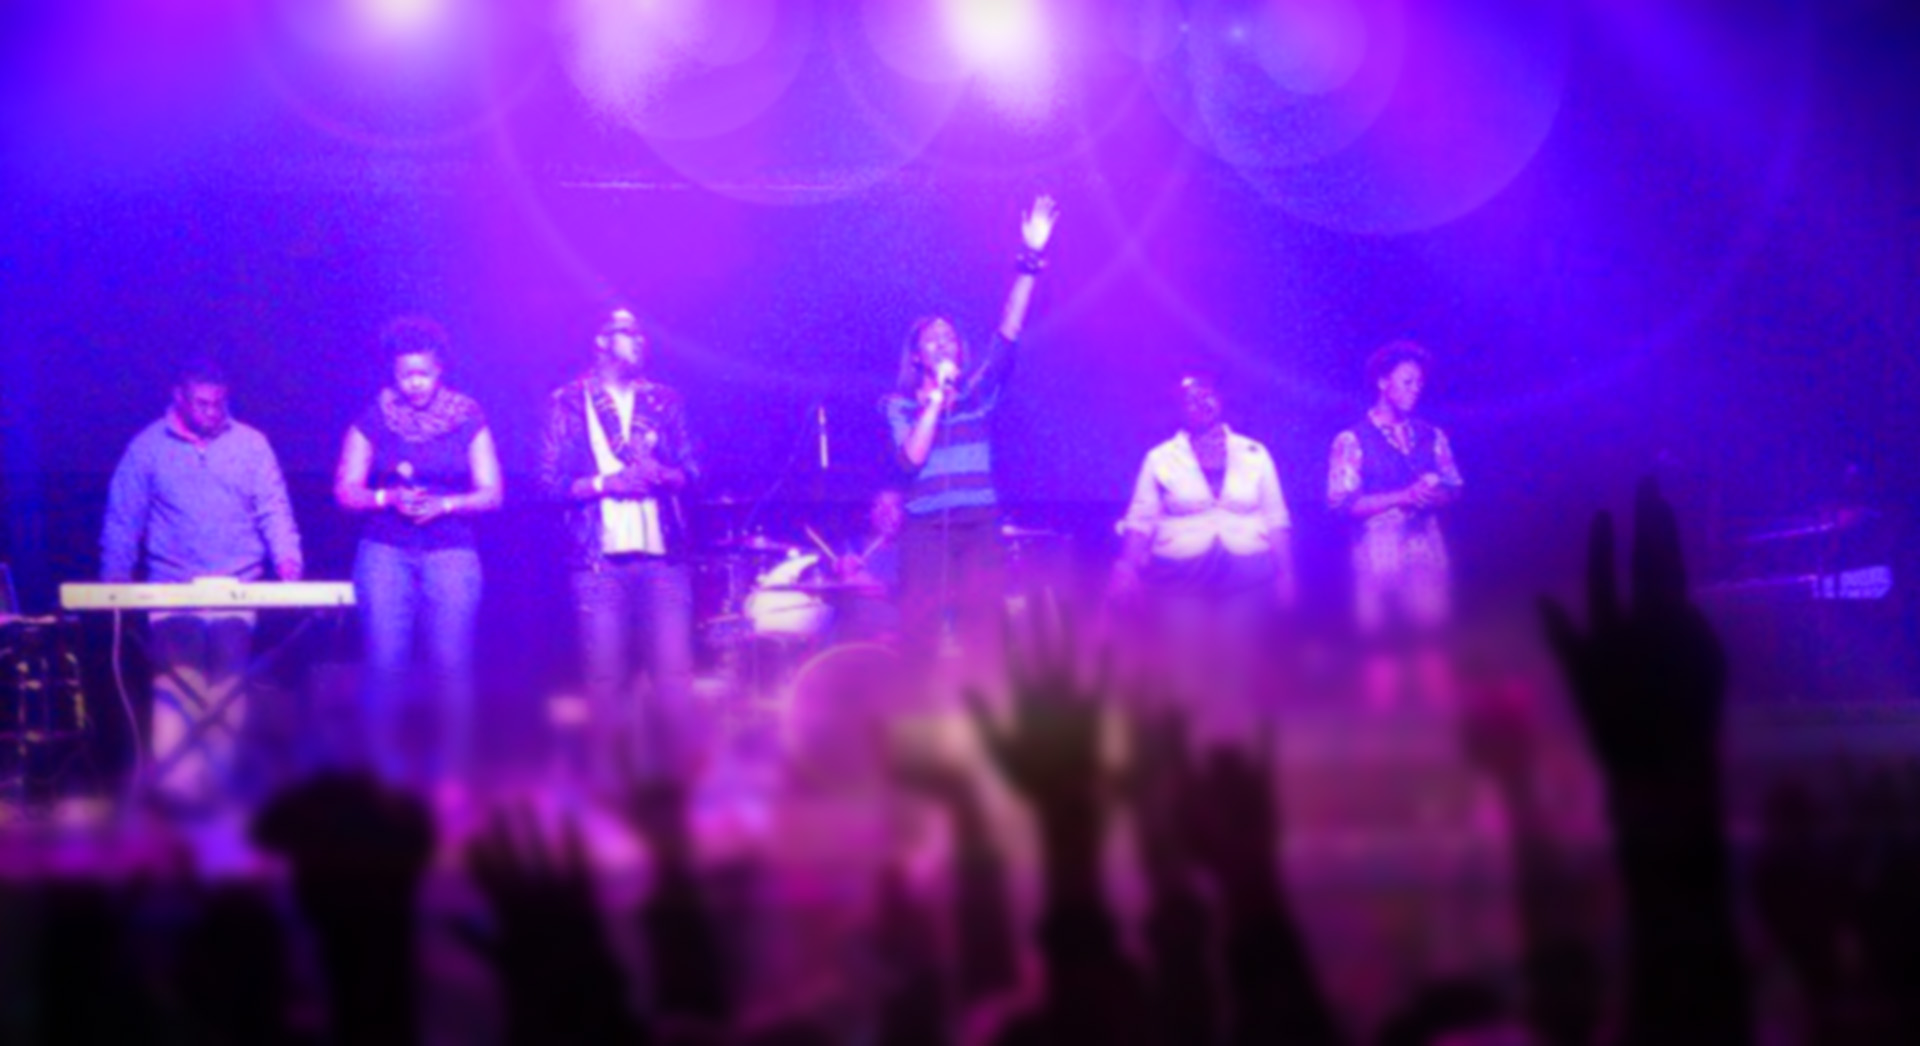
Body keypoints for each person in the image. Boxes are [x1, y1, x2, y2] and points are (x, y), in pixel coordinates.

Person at [101, 356, 303, 809]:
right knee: (177, 682)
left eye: (218, 403)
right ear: (179, 397)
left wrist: (287, 556)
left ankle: (216, 791)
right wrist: (114, 576)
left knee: (227, 686)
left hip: (236, 582)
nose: (211, 412)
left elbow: (273, 507)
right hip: (172, 583)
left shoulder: (251, 444)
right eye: (201, 403)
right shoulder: (147, 447)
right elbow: (124, 518)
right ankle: (180, 794)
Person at [883, 194, 1060, 671]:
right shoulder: (899, 405)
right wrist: (935, 401)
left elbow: (1008, 330)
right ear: (918, 355)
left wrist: (1030, 259)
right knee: (919, 638)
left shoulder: (978, 394)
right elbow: (911, 459)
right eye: (932, 339)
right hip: (925, 531)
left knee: (985, 637)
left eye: (950, 337)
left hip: (979, 526)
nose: (944, 342)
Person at [332, 316, 502, 797]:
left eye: (423, 374)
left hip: (451, 552)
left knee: (451, 666)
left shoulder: (467, 416)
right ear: (394, 373)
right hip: (385, 551)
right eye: (405, 375)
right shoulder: (375, 415)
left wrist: (445, 504)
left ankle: (451, 779)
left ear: (439, 370)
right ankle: (386, 778)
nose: (414, 384)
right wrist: (387, 498)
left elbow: (492, 493)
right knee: (386, 664)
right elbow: (345, 489)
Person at [538, 304, 701, 786]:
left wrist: (663, 474)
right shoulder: (568, 401)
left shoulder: (664, 401)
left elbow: (693, 471)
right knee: (605, 681)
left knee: (674, 679)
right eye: (628, 333)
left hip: (663, 558)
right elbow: (547, 482)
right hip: (598, 560)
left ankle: (679, 787)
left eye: (641, 334)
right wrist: (607, 484)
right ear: (602, 340)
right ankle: (610, 789)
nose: (639, 341)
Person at [1112, 369, 1294, 733]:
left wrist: (1286, 573)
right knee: (1186, 668)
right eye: (1190, 399)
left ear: (1220, 400)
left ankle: (1229, 746)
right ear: (1178, 409)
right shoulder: (1160, 458)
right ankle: (1190, 744)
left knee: (1236, 664)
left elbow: (1275, 516)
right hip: (1181, 574)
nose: (1200, 403)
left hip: (1246, 571)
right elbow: (1141, 518)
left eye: (1206, 394)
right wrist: (1127, 567)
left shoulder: (1255, 453)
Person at [1326, 340, 1463, 707]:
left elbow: (1454, 485)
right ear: (1383, 382)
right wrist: (1403, 496)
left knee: (1432, 638)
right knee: (1380, 645)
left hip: (1424, 547)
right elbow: (1342, 503)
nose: (1415, 389)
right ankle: (1380, 722)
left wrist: (1436, 495)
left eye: (1419, 383)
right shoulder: (1352, 440)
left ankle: (1441, 718)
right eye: (1407, 381)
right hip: (1377, 552)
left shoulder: (1432, 435)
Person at [832, 487, 906, 644]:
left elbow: (924, 596)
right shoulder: (853, 546)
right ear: (871, 513)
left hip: (897, 642)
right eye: (879, 506)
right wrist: (837, 572)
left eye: (894, 506)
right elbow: (825, 588)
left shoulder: (914, 550)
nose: (885, 513)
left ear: (904, 513)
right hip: (852, 641)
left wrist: (876, 587)